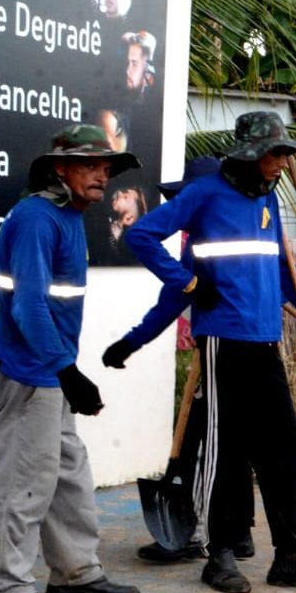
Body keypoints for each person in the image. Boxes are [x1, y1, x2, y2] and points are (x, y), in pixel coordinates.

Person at [126, 112, 296, 593]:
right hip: (224, 340)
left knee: (286, 445)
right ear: (249, 153)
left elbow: (284, 269)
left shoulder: (267, 199)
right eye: (276, 153)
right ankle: (219, 555)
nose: (283, 163)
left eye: (286, 154)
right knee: (227, 451)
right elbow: (141, 235)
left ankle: (289, 555)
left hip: (267, 339)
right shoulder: (204, 195)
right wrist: (187, 281)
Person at [0, 124, 144, 593]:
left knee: (67, 475)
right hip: (27, 374)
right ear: (59, 169)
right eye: (90, 166)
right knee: (19, 481)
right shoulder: (35, 218)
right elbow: (28, 305)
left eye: (106, 169)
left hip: (50, 374)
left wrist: (67, 374)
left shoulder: (69, 216)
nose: (102, 177)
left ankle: (75, 573)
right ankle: (2, 588)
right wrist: (68, 371)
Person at [103, 156, 257, 564]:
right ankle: (239, 534)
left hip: (224, 350)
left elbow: (173, 299)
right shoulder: (219, 238)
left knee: (202, 442)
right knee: (231, 441)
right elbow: (176, 300)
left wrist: (132, 341)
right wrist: (131, 343)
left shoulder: (200, 248)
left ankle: (208, 534)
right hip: (252, 349)